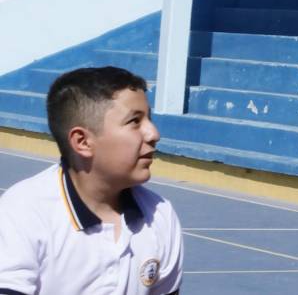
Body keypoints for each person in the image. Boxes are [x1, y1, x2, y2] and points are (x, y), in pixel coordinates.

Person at [0, 66, 183, 295]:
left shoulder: (160, 215)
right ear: (82, 142)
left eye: (149, 118)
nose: (153, 133)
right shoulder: (23, 212)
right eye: (135, 121)